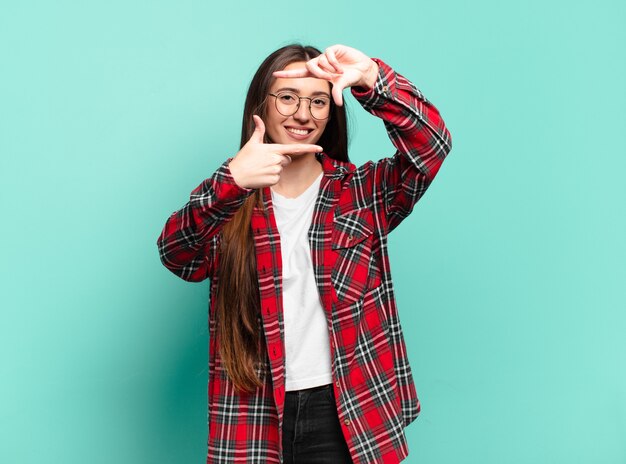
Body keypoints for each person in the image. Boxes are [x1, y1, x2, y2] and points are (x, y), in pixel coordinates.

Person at [157, 43, 452, 464]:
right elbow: (175, 254)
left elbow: (432, 145)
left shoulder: (360, 193)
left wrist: (372, 78)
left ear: (331, 113)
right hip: (253, 414)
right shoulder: (231, 198)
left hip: (345, 411)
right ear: (261, 104)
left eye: (318, 101)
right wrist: (232, 181)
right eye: (289, 97)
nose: (302, 114)